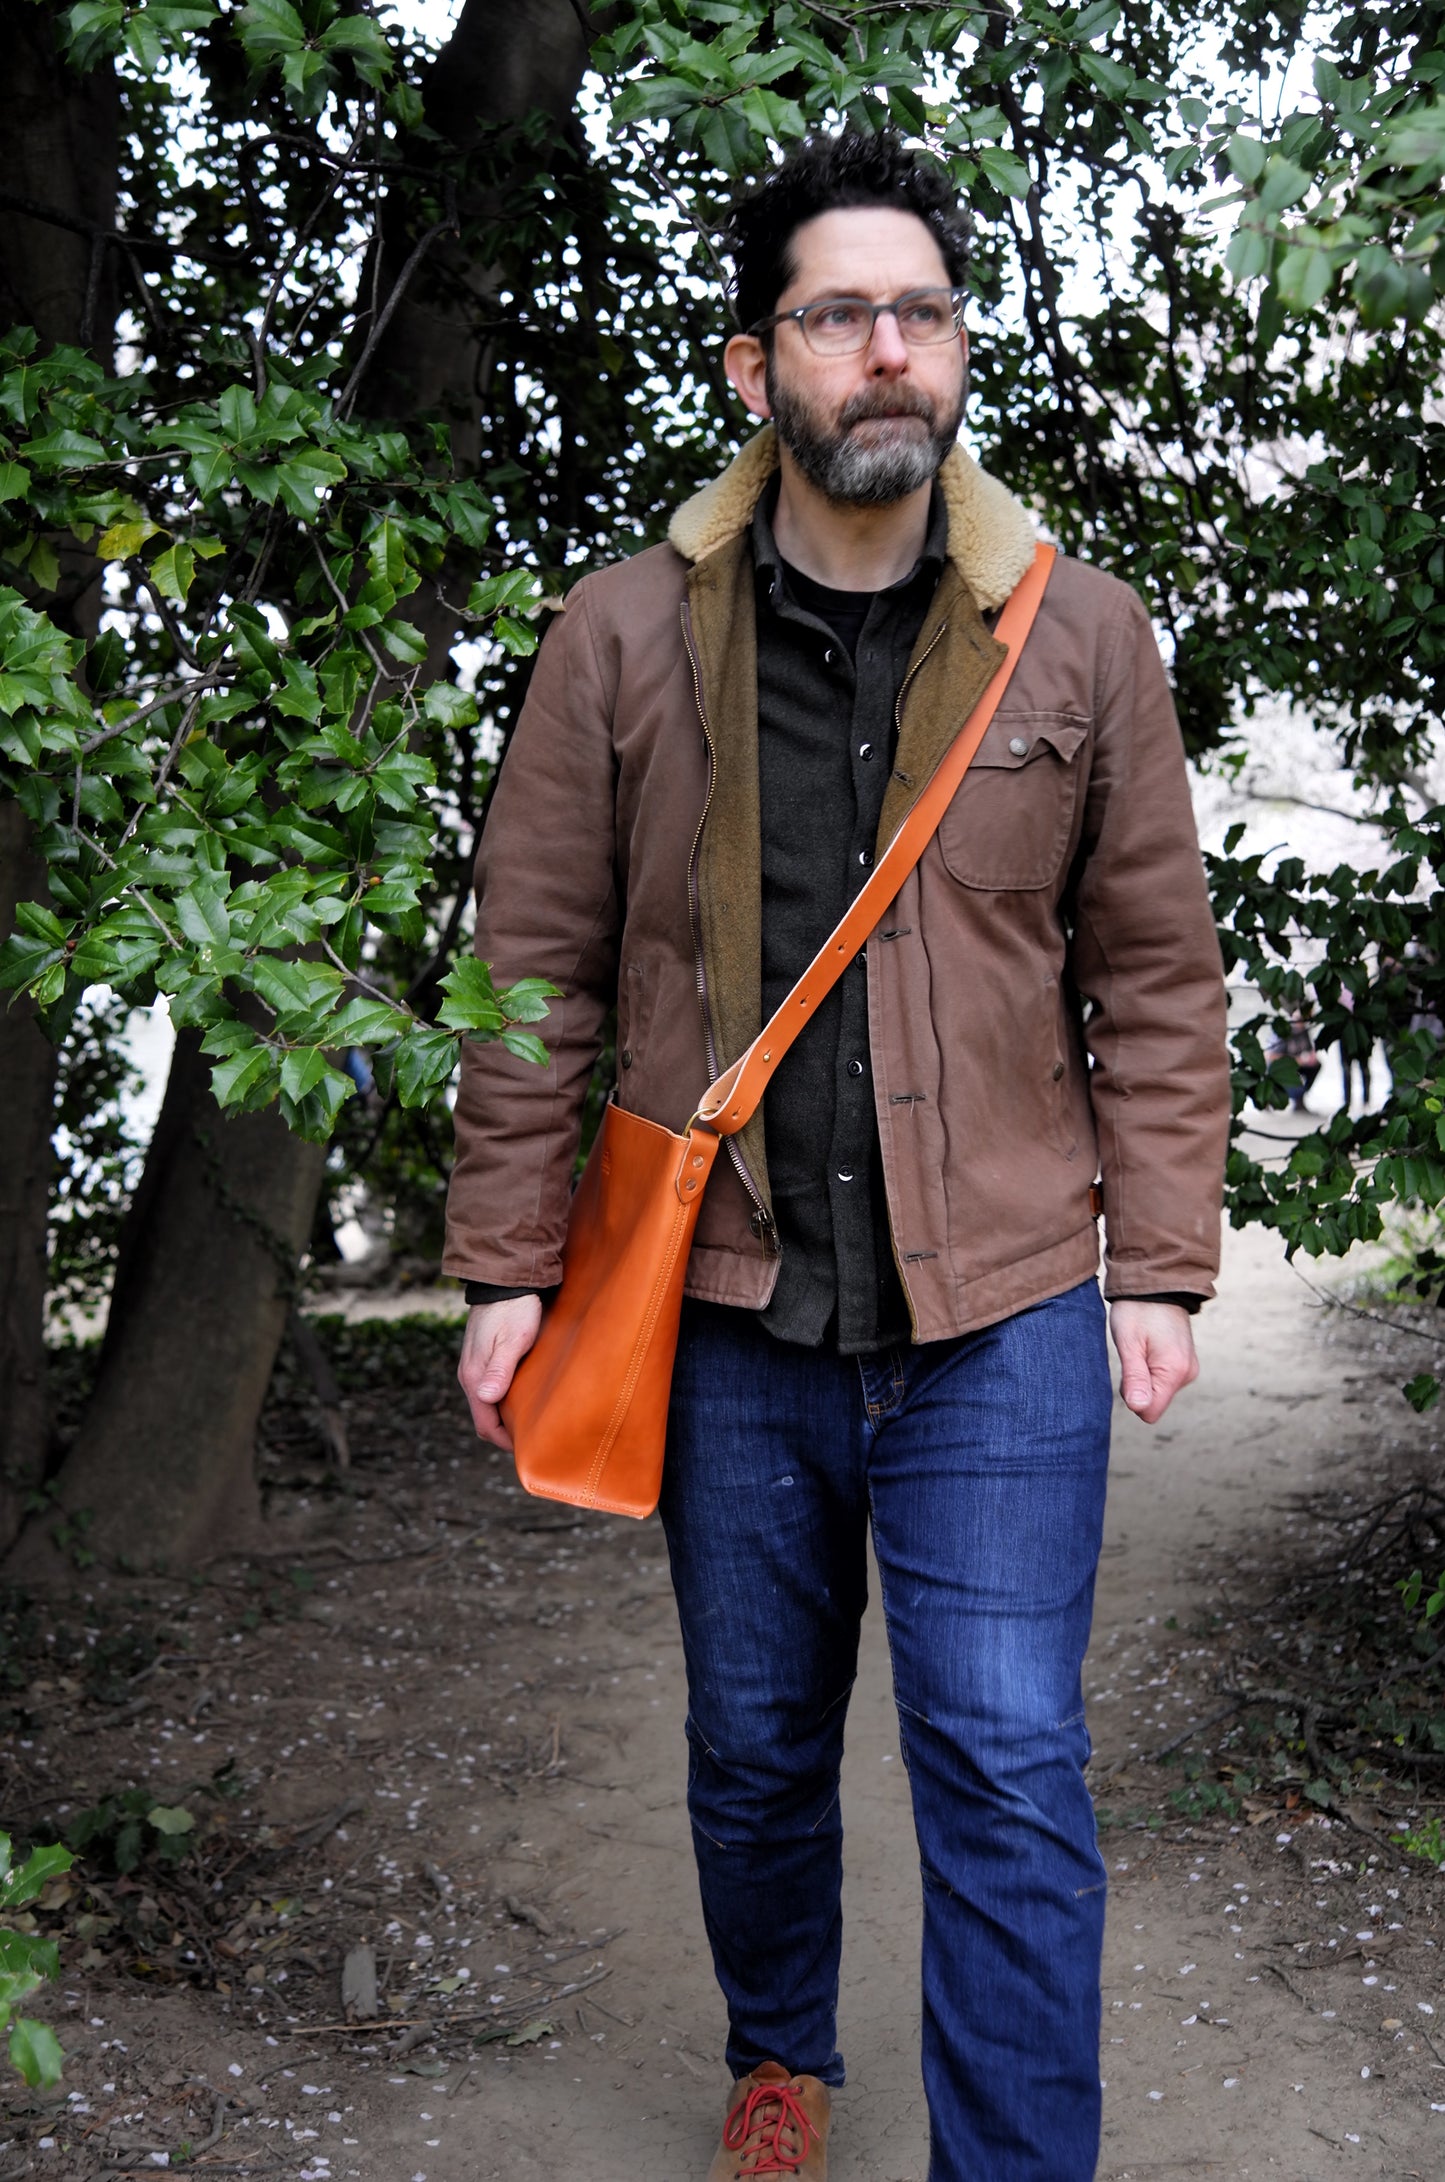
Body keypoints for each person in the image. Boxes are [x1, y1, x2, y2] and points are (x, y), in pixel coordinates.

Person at [444, 129, 1230, 2182]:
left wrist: (1157, 1261)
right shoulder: (621, 638)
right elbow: (529, 969)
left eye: (923, 314)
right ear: (751, 365)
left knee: (1004, 1758)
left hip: (1003, 1314)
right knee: (756, 1746)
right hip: (727, 1318)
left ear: (957, 353)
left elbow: (1155, 969)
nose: (889, 350)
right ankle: (777, 2048)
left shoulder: (1081, 640)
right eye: (839, 315)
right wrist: (507, 1264)